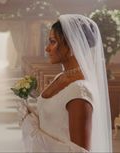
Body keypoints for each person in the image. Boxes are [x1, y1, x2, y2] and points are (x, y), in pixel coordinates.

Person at [17, 14, 112, 152]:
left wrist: (32, 130)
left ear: (73, 45)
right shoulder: (60, 77)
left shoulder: (80, 91)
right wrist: (31, 114)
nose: (47, 48)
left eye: (52, 42)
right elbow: (54, 120)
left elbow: (80, 151)